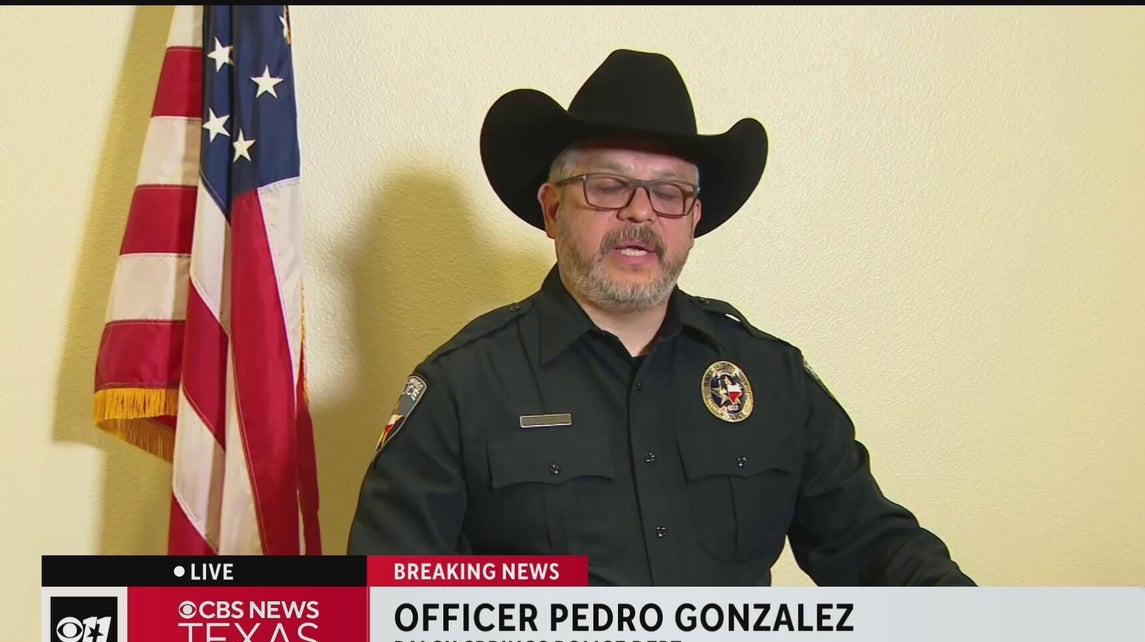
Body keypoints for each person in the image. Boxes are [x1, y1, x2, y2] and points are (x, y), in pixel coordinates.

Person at [347, 48, 974, 587]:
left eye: (669, 192)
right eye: (608, 185)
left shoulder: (772, 377)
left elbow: (875, 548)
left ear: (693, 219)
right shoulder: (461, 387)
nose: (640, 213)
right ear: (553, 209)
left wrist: (989, 632)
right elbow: (382, 610)